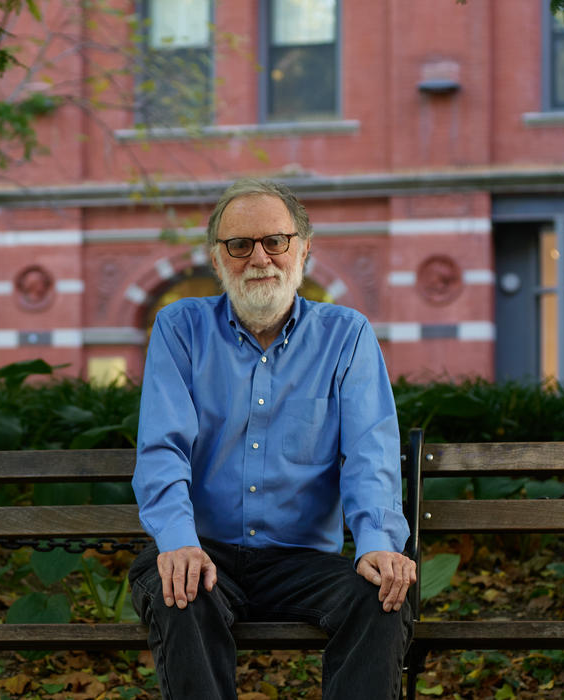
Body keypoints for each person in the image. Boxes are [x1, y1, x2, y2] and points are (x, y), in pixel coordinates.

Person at [128, 178, 415, 699]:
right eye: (239, 245)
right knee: (178, 590)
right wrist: (177, 542)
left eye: (275, 241)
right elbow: (162, 449)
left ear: (303, 249)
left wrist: (376, 542)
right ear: (217, 260)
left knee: (381, 595)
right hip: (204, 550)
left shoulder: (346, 335)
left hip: (301, 560)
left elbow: (368, 454)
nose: (259, 257)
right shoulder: (180, 329)